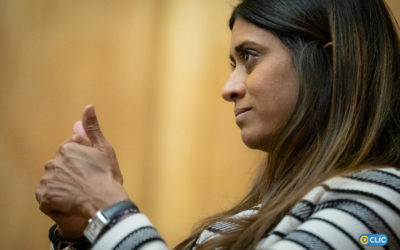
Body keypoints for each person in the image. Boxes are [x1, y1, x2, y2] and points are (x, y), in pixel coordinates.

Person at [36, 0, 400, 249]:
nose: (229, 89)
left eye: (250, 57)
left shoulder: (380, 202)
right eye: (233, 64)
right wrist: (85, 229)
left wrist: (109, 209)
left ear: (332, 63)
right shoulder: (257, 214)